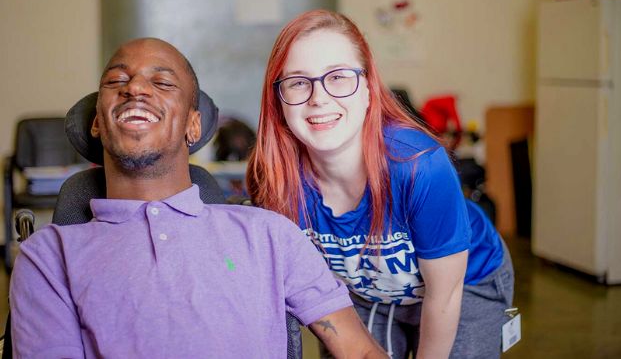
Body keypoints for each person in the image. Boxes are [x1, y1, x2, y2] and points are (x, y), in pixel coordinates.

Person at [9, 38, 387, 358]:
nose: (135, 88)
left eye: (163, 83)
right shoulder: (48, 256)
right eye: (117, 80)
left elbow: (360, 350)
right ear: (96, 122)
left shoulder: (271, 235)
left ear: (194, 125)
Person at [247, 10, 514, 358]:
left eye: (338, 77)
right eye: (299, 81)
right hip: (366, 292)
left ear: (369, 87)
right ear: (278, 98)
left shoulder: (418, 166)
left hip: (463, 286)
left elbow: (444, 296)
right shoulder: (275, 179)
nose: (318, 98)